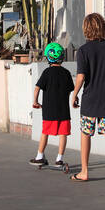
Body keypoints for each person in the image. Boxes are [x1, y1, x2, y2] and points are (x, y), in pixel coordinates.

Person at [70, 14, 105, 184]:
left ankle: (84, 171)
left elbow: (81, 76)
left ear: (86, 29)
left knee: (86, 133)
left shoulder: (83, 51)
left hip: (90, 98)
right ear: (103, 27)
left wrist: (74, 94)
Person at [30, 41, 74, 169]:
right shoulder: (66, 73)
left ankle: (39, 156)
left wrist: (35, 101)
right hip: (64, 111)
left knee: (45, 132)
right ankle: (59, 159)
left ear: (48, 57)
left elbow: (37, 88)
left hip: (49, 110)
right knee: (63, 134)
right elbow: (71, 89)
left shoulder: (46, 73)